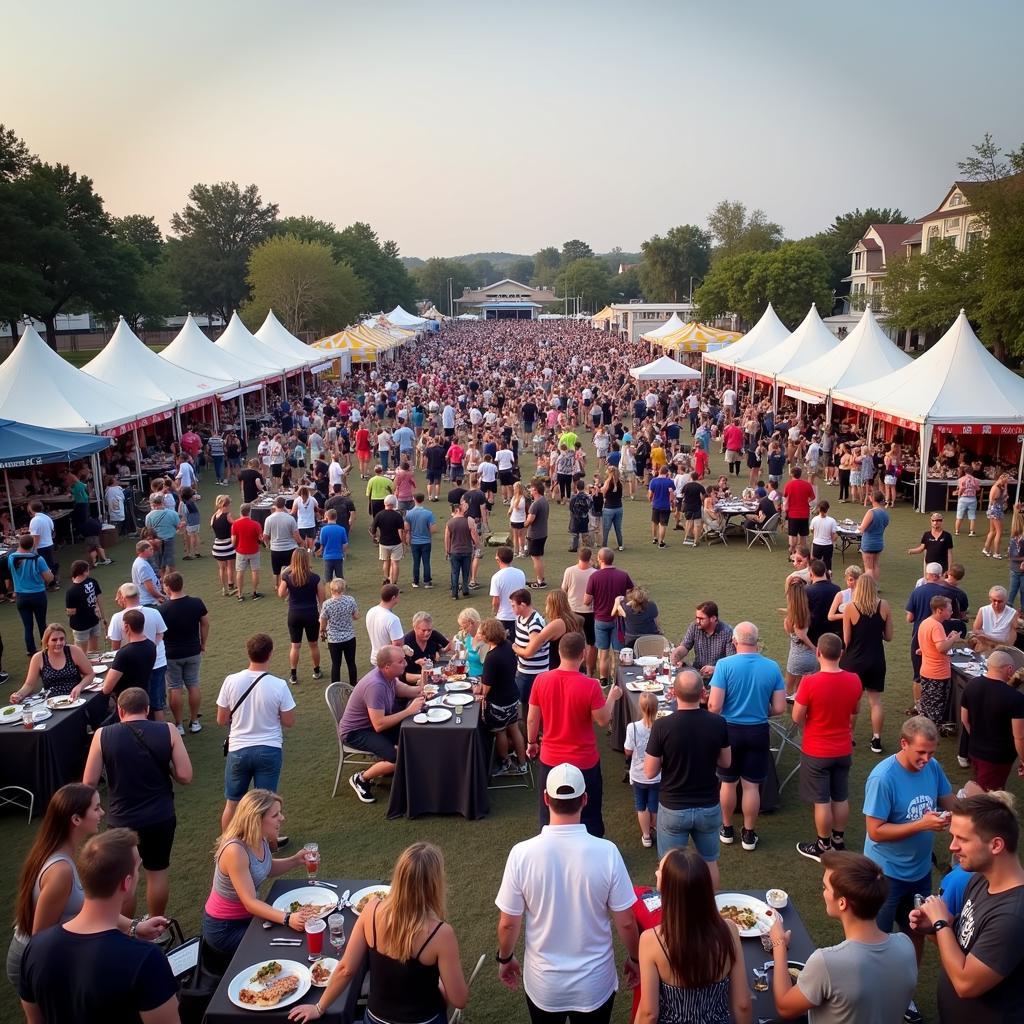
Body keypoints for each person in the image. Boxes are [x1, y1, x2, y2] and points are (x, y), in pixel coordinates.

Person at [495, 762, 640, 1024]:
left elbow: (508, 924)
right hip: (595, 985)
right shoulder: (607, 852)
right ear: (584, 799)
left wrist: (505, 958)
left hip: (544, 986)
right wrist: (635, 958)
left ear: (546, 799)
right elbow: (627, 922)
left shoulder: (521, 854)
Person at [5, 784, 168, 988]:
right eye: (96, 808)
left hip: (45, 956)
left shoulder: (65, 853)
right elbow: (41, 941)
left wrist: (135, 927)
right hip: (35, 961)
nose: (103, 812)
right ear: (76, 819)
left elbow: (88, 909)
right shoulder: (60, 871)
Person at [289, 842, 468, 1024]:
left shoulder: (371, 910)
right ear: (436, 883)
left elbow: (345, 969)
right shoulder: (442, 934)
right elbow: (459, 999)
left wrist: (319, 1007)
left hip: (375, 1019)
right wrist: (439, 984)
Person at [18, 828, 179, 1023]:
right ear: (126, 883)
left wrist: (134, 927)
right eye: (137, 869)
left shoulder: (36, 948)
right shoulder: (145, 959)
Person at [863, 715, 955, 1019]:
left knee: (915, 933)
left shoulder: (933, 767)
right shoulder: (883, 777)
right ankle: (873, 996)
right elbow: (876, 831)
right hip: (885, 875)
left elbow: (949, 800)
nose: (927, 759)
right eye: (921, 753)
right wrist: (922, 824)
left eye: (931, 753)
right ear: (904, 744)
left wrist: (962, 813)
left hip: (919, 874)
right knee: (877, 939)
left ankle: (904, 995)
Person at [911, 791, 1024, 1021]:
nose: (952, 847)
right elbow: (966, 937)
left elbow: (965, 983)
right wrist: (933, 926)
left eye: (962, 839)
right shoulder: (980, 879)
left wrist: (941, 922)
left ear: (996, 845)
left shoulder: (1013, 915)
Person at [768, 850, 918, 1023]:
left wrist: (778, 944)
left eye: (825, 887)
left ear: (842, 903)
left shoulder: (827, 962)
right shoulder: (906, 945)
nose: (823, 892)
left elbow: (785, 1007)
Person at [82, 687, 192, 918]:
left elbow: (89, 781)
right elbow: (185, 776)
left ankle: (127, 931)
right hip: (160, 816)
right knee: (158, 872)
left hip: (122, 819)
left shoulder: (102, 735)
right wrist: (168, 767)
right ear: (147, 709)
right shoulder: (168, 730)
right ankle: (157, 928)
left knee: (124, 877)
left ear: (120, 711)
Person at [636, 848, 752, 1024]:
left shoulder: (650, 941)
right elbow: (743, 1004)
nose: (656, 873)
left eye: (659, 870)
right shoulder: (730, 931)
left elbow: (649, 1013)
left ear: (667, 887)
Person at [202, 789, 316, 962]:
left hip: (248, 918)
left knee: (293, 936)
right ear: (256, 820)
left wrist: (295, 860)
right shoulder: (235, 850)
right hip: (225, 929)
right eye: (275, 815)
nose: (282, 818)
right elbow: (249, 902)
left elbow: (265, 869)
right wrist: (287, 918)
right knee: (283, 944)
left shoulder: (260, 837)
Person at [528, 632, 621, 837]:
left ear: (560, 652)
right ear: (583, 653)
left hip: (550, 759)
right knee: (590, 814)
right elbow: (603, 719)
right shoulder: (591, 685)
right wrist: (612, 697)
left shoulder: (541, 680)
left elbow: (532, 718)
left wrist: (531, 742)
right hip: (584, 761)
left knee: (549, 813)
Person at [644, 669, 731, 885]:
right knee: (709, 862)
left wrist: (669, 757)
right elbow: (726, 762)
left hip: (674, 808)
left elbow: (649, 771)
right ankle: (709, 913)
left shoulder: (662, 726)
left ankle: (672, 914)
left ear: (673, 693)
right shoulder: (718, 723)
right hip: (708, 806)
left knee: (668, 865)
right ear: (703, 693)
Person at [708, 621, 786, 852]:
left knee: (728, 783)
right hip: (758, 731)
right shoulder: (771, 667)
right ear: (756, 641)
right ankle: (749, 834)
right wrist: (761, 709)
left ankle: (727, 828)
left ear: (734, 640)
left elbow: (714, 706)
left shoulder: (724, 665)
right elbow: (780, 708)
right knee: (751, 787)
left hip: (729, 732)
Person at [792, 633, 863, 861]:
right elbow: (854, 712)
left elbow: (796, 716)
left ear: (818, 652)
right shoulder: (854, 680)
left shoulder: (810, 682)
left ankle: (822, 845)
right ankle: (838, 840)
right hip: (843, 748)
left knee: (822, 800)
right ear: (841, 653)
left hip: (817, 750)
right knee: (840, 796)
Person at [216, 633, 296, 832]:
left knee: (232, 803)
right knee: (267, 805)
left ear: (248, 652)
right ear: (270, 654)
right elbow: (289, 722)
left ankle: (227, 845)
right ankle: (265, 845)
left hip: (238, 750)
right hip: (269, 749)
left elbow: (221, 719)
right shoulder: (279, 685)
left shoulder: (231, 681)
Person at [343, 645, 425, 804]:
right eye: (401, 661)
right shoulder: (376, 685)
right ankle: (361, 778)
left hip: (372, 726)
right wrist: (409, 711)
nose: (406, 664)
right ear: (387, 666)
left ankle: (391, 767)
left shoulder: (389, 677)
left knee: (414, 733)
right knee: (400, 756)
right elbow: (379, 725)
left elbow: (408, 690)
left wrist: (426, 687)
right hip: (357, 732)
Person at [840, 573, 893, 755]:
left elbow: (846, 640)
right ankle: (876, 738)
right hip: (876, 659)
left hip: (854, 660)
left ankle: (849, 736)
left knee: (852, 701)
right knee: (875, 702)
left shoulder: (850, 608)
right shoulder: (884, 605)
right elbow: (889, 636)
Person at [960, 650, 1024, 791]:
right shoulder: (1016, 698)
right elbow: (1019, 736)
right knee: (990, 799)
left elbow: (964, 719)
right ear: (1009, 669)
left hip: (974, 750)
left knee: (979, 788)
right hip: (998, 758)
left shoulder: (971, 685)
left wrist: (977, 739)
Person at [106, 585, 168, 719]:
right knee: (156, 703)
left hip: (131, 667)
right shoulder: (154, 612)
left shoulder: (118, 617)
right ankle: (160, 733)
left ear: (122, 598)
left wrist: (132, 651)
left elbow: (115, 647)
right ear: (138, 595)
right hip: (156, 661)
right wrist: (150, 645)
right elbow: (160, 634)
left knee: (134, 703)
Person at [158, 571, 208, 734]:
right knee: (193, 684)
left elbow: (160, 633)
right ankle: (194, 721)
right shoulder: (196, 603)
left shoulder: (162, 609)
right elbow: (205, 624)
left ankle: (178, 725)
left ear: (168, 587)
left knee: (175, 687)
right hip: (193, 650)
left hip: (172, 654)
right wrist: (203, 643)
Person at [476, 617, 527, 774]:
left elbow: (486, 689)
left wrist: (477, 689)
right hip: (512, 696)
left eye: (481, 633)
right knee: (514, 728)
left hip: (499, 703)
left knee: (500, 732)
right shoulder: (508, 644)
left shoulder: (492, 657)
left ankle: (505, 763)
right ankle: (523, 763)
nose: (479, 635)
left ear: (487, 636)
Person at [585, 547, 634, 686]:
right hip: (618, 620)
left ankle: (603, 680)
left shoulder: (594, 577)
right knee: (618, 653)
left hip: (600, 619)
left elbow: (587, 600)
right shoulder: (623, 575)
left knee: (603, 653)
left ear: (600, 560)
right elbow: (632, 592)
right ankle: (617, 681)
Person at [10, 623, 93, 703]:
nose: (59, 643)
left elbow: (90, 674)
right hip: (53, 702)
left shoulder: (74, 651)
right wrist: (19, 695)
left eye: (62, 639)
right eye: (54, 640)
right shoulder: (38, 658)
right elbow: (29, 685)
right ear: (47, 641)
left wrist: (80, 686)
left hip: (76, 698)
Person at [277, 548, 325, 684]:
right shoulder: (315, 578)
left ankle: (293, 674)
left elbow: (281, 594)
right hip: (311, 614)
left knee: (295, 646)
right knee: (314, 645)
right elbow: (322, 599)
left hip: (294, 614)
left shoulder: (288, 577)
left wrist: (286, 571)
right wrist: (322, 616)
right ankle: (316, 670)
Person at [917, 595, 962, 725]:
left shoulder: (925, 622)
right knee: (935, 711)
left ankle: (923, 732)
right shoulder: (937, 626)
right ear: (939, 610)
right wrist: (954, 639)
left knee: (926, 707)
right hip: (937, 674)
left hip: (927, 671)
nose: (952, 612)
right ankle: (929, 737)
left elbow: (932, 645)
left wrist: (947, 638)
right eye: (950, 609)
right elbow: (941, 648)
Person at [9, 534, 54, 655]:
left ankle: (31, 650)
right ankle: (45, 648)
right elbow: (49, 578)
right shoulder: (38, 559)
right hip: (37, 595)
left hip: (21, 596)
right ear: (32, 545)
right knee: (41, 623)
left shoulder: (12, 558)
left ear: (20, 544)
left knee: (27, 626)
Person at [671, 601, 735, 684]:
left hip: (718, 677)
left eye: (701, 619)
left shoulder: (727, 632)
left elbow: (731, 662)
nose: (697, 621)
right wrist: (677, 653)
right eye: (696, 618)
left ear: (713, 618)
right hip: (697, 673)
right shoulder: (694, 627)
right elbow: (685, 646)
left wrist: (715, 669)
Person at [561, 547, 597, 675]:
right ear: (590, 558)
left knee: (573, 641)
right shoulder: (594, 573)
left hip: (573, 611)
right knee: (591, 643)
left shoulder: (569, 571)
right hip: (590, 611)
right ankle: (589, 671)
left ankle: (575, 669)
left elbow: (563, 590)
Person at [510, 588, 549, 705]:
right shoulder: (520, 618)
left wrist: (516, 649)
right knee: (523, 701)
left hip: (533, 673)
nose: (511, 608)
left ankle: (529, 723)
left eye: (513, 605)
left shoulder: (534, 624)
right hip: (523, 669)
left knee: (529, 704)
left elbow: (531, 651)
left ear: (522, 605)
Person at [320, 577, 359, 688]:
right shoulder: (350, 600)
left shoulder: (327, 604)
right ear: (343, 589)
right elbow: (356, 616)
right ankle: (353, 684)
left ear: (331, 590)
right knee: (351, 663)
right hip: (349, 637)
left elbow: (323, 620)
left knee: (336, 665)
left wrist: (322, 631)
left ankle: (335, 687)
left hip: (334, 639)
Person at [783, 579, 818, 699]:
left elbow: (799, 633)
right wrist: (814, 649)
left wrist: (813, 647)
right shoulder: (808, 614)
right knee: (802, 692)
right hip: (811, 659)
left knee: (787, 691)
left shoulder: (791, 618)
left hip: (796, 658)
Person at [64, 560, 106, 653]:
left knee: (80, 652)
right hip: (94, 620)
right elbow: (99, 599)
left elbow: (71, 612)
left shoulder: (71, 591)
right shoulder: (93, 581)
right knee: (94, 650)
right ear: (84, 571)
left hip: (81, 625)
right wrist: (103, 617)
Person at [401, 611, 451, 683]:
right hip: (412, 684)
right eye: (423, 630)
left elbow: (448, 645)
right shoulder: (406, 642)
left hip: (432, 680)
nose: (427, 633)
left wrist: (441, 652)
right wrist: (425, 675)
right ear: (415, 628)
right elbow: (402, 676)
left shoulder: (433, 635)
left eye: (429, 630)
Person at [263, 495, 302, 585]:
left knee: (276, 571)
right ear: (284, 505)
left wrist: (267, 545)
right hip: (290, 548)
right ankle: (290, 585)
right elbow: (296, 536)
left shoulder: (269, 519)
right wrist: (301, 543)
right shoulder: (290, 518)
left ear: (275, 505)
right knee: (291, 569)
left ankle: (277, 586)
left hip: (276, 549)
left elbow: (265, 536)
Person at [231, 502, 265, 601]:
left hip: (241, 551)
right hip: (254, 550)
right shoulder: (256, 524)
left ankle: (240, 594)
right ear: (249, 512)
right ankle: (254, 592)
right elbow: (260, 539)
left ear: (240, 512)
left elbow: (233, 541)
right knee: (255, 571)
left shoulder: (235, 524)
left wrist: (236, 546)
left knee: (240, 572)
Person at [970, 585, 1022, 652]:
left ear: (1006, 600)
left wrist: (990, 638)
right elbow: (976, 630)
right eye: (994, 600)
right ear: (990, 598)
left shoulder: (1013, 613)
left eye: (1000, 601)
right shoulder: (983, 610)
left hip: (1002, 648)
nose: (996, 604)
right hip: (985, 645)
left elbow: (1010, 642)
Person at [492, 545, 528, 638]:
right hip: (519, 615)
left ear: (498, 559)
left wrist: (494, 614)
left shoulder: (496, 577)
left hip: (504, 617)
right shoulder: (520, 573)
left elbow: (496, 601)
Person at [365, 584, 403, 665]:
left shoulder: (371, 611)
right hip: (388, 662)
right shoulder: (393, 619)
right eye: (398, 596)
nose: (399, 598)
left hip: (375, 658)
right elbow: (397, 644)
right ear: (393, 598)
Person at [804, 559, 840, 645]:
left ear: (811, 574)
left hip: (813, 634)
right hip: (832, 632)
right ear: (826, 572)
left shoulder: (807, 591)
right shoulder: (836, 589)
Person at [405, 492, 436, 589]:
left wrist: (408, 540)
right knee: (426, 562)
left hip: (414, 542)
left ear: (414, 499)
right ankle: (427, 582)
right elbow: (433, 530)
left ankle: (416, 581)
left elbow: (407, 529)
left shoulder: (409, 513)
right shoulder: (429, 513)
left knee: (416, 562)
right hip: (426, 541)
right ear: (423, 500)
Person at [782, 466, 816, 554]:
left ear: (792, 474)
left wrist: (785, 510)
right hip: (804, 514)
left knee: (792, 536)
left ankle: (792, 552)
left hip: (793, 514)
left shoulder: (789, 485)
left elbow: (785, 498)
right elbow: (812, 497)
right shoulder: (807, 484)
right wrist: (806, 501)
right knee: (803, 537)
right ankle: (802, 554)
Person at [144, 496, 181, 575]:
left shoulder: (149, 516)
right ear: (163, 502)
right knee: (170, 563)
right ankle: (173, 581)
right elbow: (178, 526)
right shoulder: (173, 513)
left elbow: (149, 529)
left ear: (153, 504)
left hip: (156, 542)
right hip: (169, 539)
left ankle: (161, 581)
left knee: (158, 564)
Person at [858, 491, 890, 582]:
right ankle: (875, 586)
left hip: (869, 543)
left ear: (872, 499)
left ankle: (869, 588)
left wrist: (859, 526)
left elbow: (862, 528)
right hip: (879, 543)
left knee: (868, 567)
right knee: (875, 565)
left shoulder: (871, 512)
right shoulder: (885, 513)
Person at [524, 479, 550, 589]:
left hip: (535, 535)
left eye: (531, 488)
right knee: (538, 557)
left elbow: (530, 520)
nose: (530, 490)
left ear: (535, 490)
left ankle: (540, 581)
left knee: (536, 558)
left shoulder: (535, 505)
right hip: (542, 532)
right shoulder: (544, 501)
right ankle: (541, 578)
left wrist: (525, 524)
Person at [209, 494, 237, 595]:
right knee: (230, 566)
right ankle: (231, 585)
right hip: (228, 545)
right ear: (226, 505)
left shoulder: (214, 516)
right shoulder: (228, 515)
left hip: (217, 546)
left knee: (221, 568)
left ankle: (224, 588)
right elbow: (235, 525)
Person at [315, 507, 349, 583]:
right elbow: (345, 543)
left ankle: (328, 590)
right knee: (340, 575)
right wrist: (342, 552)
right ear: (336, 517)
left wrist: (319, 551)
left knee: (328, 577)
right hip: (338, 556)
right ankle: (341, 589)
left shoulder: (324, 529)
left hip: (327, 556)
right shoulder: (342, 529)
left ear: (327, 517)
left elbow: (322, 544)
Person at [982, 472, 1010, 558]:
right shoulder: (996, 488)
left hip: (994, 510)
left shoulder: (1000, 487)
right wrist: (1002, 501)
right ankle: (996, 552)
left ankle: (986, 549)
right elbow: (993, 500)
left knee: (993, 531)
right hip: (996, 511)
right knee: (999, 532)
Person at [131, 539, 164, 606]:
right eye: (150, 549)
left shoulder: (142, 562)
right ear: (144, 550)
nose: (153, 551)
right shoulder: (142, 565)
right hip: (148, 602)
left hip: (148, 600)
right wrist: (163, 596)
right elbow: (150, 588)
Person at [809, 500, 838, 574]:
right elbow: (834, 536)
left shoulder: (814, 520)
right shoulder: (832, 521)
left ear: (818, 508)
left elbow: (812, 530)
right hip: (827, 545)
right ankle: (828, 578)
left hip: (817, 545)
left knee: (815, 564)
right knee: (828, 564)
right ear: (827, 509)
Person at [290, 485, 319, 551]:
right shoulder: (312, 499)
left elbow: (293, 512)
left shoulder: (297, 500)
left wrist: (287, 513)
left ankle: (303, 552)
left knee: (302, 540)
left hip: (301, 524)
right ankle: (309, 551)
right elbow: (317, 508)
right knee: (310, 538)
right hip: (311, 523)